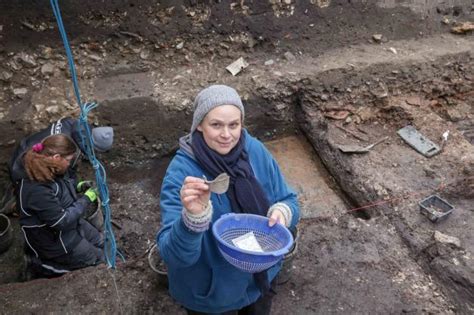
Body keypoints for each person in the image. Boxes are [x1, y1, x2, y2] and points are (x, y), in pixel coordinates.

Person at [157, 85, 300, 314]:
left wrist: (283, 211)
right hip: (212, 295)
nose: (226, 135)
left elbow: (289, 199)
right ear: (200, 125)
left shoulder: (253, 150)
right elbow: (175, 257)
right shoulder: (182, 174)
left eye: (234, 124)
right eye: (216, 125)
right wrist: (193, 219)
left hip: (259, 277)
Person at [19, 134, 104, 274]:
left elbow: (62, 184)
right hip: (58, 241)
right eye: (69, 160)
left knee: (102, 241)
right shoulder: (37, 190)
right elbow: (61, 221)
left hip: (74, 224)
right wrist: (86, 199)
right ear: (57, 158)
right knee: (99, 259)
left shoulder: (50, 168)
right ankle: (42, 266)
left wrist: (78, 186)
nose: (70, 164)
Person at [1, 117, 113, 214]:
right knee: (45, 194)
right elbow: (64, 174)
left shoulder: (71, 123)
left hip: (25, 148)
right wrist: (80, 194)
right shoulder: (70, 148)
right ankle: (16, 204)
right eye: (95, 151)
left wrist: (78, 185)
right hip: (23, 169)